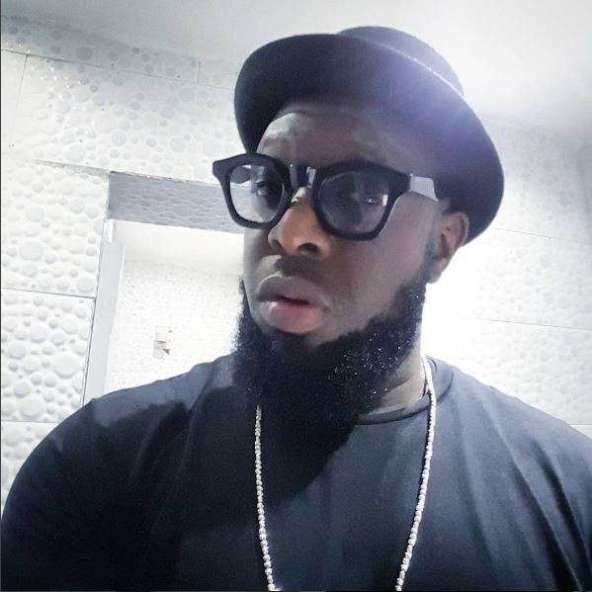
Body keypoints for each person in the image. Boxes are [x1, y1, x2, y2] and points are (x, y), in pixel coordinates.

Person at [2, 26, 591, 592]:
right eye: (269, 184)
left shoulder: (570, 493)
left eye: (359, 191)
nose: (289, 231)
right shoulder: (98, 463)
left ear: (440, 244)